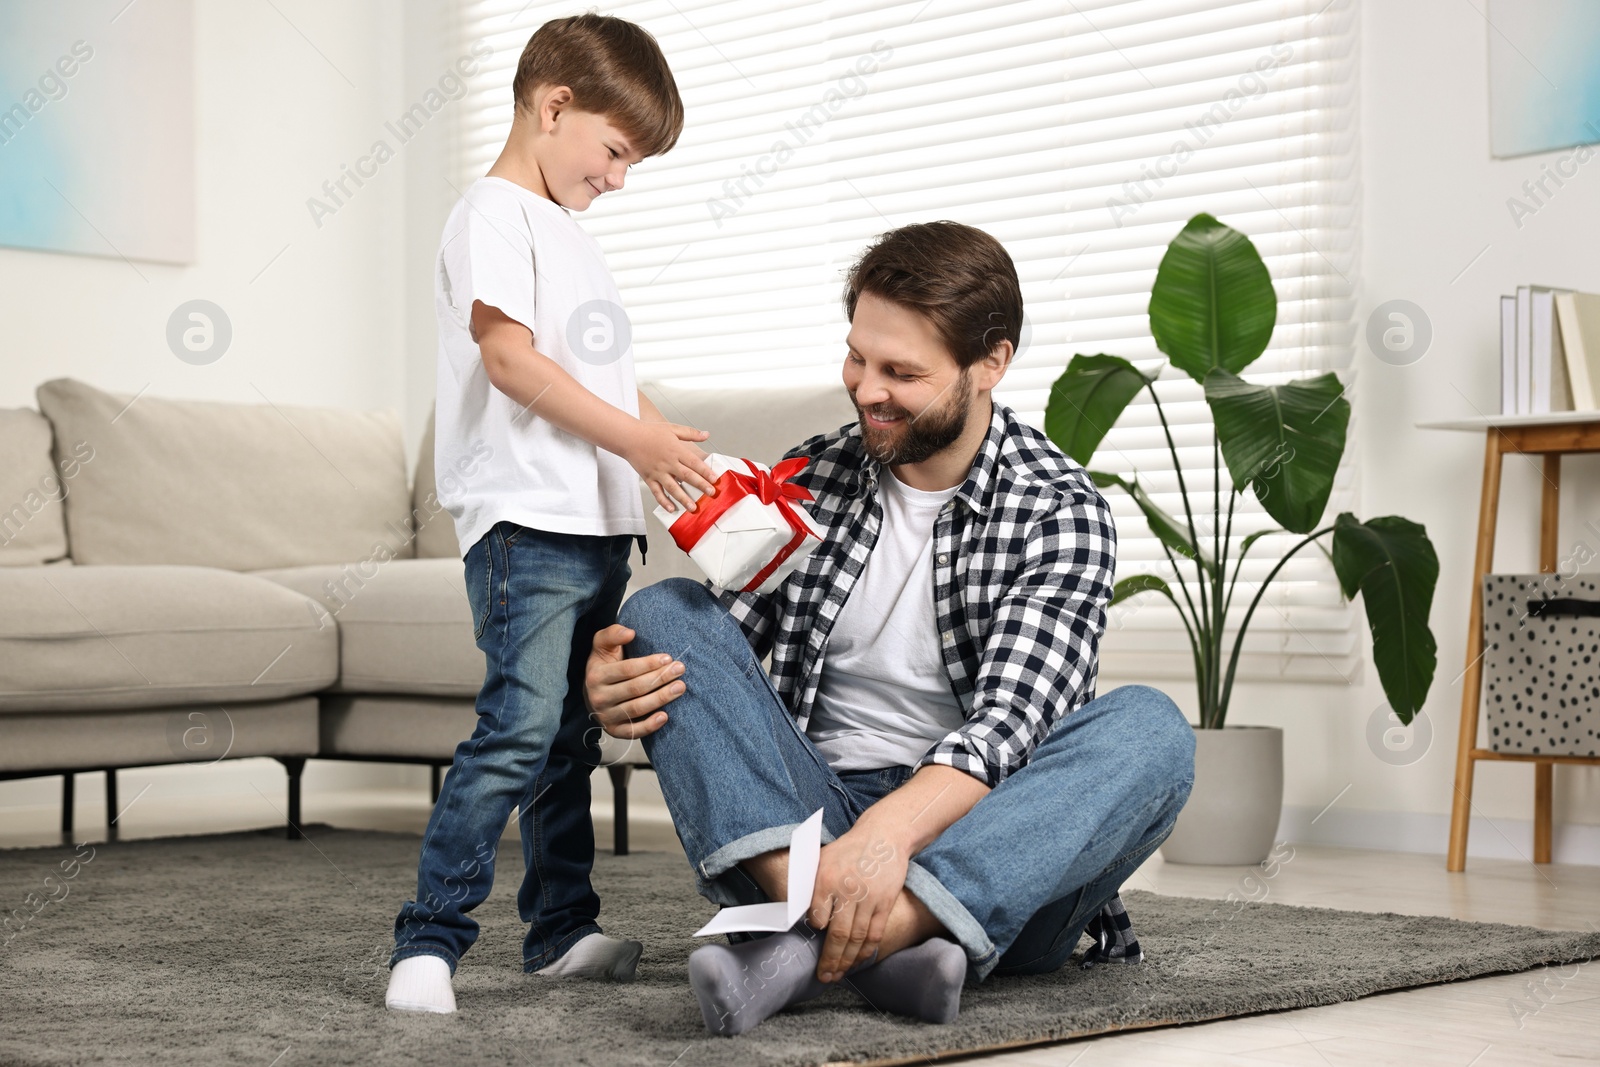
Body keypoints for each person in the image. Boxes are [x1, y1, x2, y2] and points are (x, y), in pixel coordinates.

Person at [584, 221, 1196, 1035]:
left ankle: (829, 934)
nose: (866, 388)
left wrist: (887, 839)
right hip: (813, 824)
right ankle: (888, 945)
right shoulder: (818, 473)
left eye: (901, 372)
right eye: (857, 358)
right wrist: (620, 679)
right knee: (661, 612)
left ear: (990, 364)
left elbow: (1010, 728)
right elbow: (714, 644)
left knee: (1152, 729)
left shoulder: (1059, 509)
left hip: (990, 838)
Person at [384, 14, 717, 1014]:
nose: (619, 177)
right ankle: (427, 942)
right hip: (526, 525)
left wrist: (674, 452)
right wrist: (634, 439)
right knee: (517, 731)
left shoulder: (567, 238)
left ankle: (560, 927)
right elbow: (510, 361)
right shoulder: (491, 212)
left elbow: (603, 378)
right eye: (616, 151)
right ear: (553, 105)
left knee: (569, 736)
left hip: (592, 526)